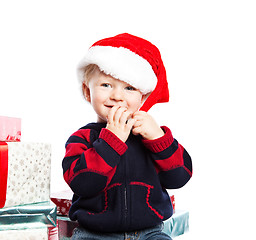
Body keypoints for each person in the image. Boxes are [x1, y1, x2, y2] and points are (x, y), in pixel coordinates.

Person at [62, 33, 192, 240]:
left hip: (150, 233)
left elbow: (180, 176)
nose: (117, 96)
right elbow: (82, 184)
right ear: (87, 92)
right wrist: (110, 142)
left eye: (129, 88)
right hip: (94, 234)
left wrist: (159, 139)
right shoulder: (82, 138)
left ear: (143, 98)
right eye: (106, 85)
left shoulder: (150, 136)